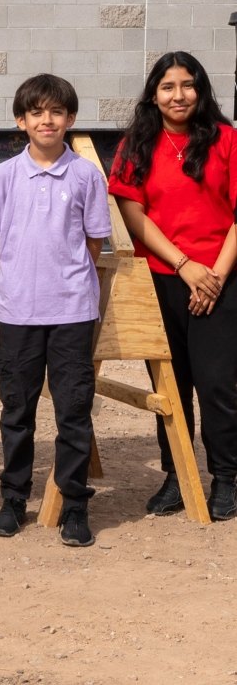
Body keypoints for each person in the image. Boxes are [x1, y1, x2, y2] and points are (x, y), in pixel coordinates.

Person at [107, 51, 237, 522]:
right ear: (153, 94)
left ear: (200, 89)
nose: (178, 95)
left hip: (222, 281)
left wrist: (215, 276)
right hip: (164, 280)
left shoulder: (226, 140)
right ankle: (177, 477)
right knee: (171, 385)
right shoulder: (137, 144)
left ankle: (226, 478)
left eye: (187, 85)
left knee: (218, 384)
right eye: (167, 86)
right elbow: (132, 213)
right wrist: (184, 266)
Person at [0, 74, 111, 547]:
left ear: (70, 119)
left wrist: (65, 282)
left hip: (72, 311)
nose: (46, 120)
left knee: (73, 410)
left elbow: (93, 241)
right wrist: (19, 284)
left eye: (56, 111)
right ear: (22, 121)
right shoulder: (4, 176)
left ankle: (74, 504)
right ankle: (14, 499)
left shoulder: (85, 175)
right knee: (17, 410)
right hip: (18, 313)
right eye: (36, 112)